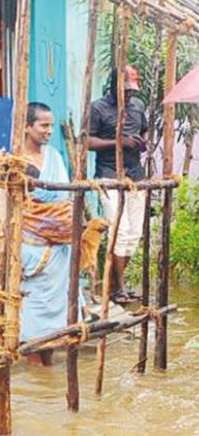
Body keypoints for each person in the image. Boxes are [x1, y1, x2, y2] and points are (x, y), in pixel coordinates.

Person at [19, 102, 74, 365]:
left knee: (54, 331)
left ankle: (46, 384)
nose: (49, 131)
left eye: (51, 125)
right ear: (28, 127)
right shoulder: (15, 162)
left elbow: (64, 199)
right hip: (30, 249)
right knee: (31, 328)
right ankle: (37, 387)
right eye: (43, 125)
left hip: (58, 253)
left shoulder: (54, 156)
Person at [88, 65, 147, 304]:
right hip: (110, 175)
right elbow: (88, 141)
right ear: (113, 86)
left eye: (132, 90)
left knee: (134, 233)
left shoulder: (138, 107)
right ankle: (118, 288)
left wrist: (140, 143)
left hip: (135, 176)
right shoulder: (98, 108)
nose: (130, 94)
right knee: (119, 231)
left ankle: (115, 283)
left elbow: (144, 131)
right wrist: (118, 142)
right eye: (126, 90)